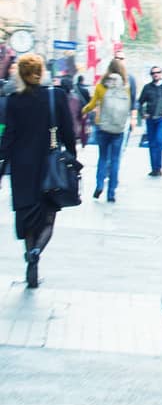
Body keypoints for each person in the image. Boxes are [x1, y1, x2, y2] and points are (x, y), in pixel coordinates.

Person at [0, 53, 78, 287]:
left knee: (27, 216)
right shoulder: (56, 96)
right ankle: (36, 252)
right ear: (41, 71)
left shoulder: (13, 100)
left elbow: (8, 137)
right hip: (49, 164)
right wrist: (72, 157)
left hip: (22, 168)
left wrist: (2, 165)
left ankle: (30, 255)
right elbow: (67, 131)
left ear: (21, 74)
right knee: (48, 217)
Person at [82, 57, 133, 202]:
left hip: (102, 127)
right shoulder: (125, 87)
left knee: (103, 157)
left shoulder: (101, 86)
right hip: (118, 129)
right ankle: (111, 193)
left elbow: (92, 105)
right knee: (115, 160)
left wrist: (82, 111)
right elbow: (127, 107)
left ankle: (99, 185)